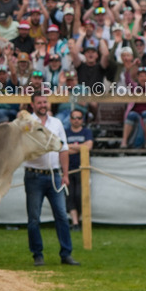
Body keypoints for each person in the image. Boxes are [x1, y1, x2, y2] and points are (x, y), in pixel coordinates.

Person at [24, 93, 78, 266]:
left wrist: (66, 174)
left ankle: (66, 254)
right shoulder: (27, 123)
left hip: (54, 175)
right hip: (34, 174)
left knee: (62, 215)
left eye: (45, 102)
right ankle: (37, 254)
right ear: (32, 105)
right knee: (34, 218)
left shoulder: (57, 123)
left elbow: (64, 149)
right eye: (39, 102)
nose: (42, 105)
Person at [64, 109, 93, 232]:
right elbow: (62, 149)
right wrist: (81, 147)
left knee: (80, 195)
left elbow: (89, 147)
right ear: (70, 119)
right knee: (69, 196)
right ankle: (75, 223)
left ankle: (80, 221)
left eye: (79, 118)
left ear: (82, 120)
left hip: (83, 169)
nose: (76, 120)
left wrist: (71, 147)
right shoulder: (65, 132)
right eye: (74, 118)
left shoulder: (87, 132)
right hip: (68, 169)